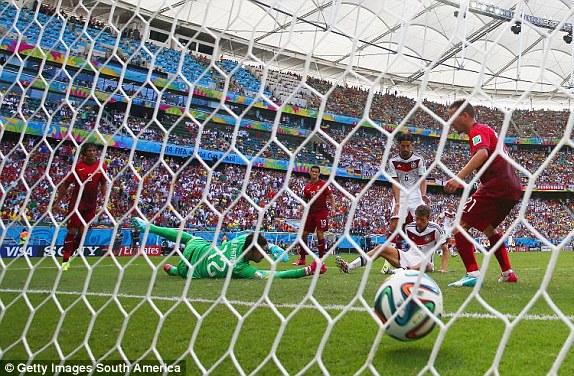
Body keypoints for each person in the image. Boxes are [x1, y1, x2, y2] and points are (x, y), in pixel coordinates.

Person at [445, 99, 520, 287]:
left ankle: (472, 273)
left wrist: (458, 178)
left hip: (498, 185)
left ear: (465, 115)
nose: (450, 122)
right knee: (487, 227)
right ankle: (507, 272)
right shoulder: (487, 131)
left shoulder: (477, 130)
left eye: (452, 117)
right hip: (511, 188)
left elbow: (482, 154)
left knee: (459, 226)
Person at [130, 218, 326, 279]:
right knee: (177, 271)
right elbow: (273, 276)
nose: (264, 254)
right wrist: (306, 270)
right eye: (263, 251)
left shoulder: (242, 241)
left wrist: (272, 247)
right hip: (191, 269)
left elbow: (251, 236)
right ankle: (172, 270)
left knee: (186, 237)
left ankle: (150, 227)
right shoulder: (240, 268)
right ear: (251, 251)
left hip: (199, 248)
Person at [335, 205, 448, 274]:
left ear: (429, 218)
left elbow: (445, 249)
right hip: (408, 257)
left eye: (422, 220)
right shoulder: (409, 227)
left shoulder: (436, 229)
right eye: (417, 218)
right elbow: (399, 241)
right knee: (381, 248)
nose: (418, 222)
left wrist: (443, 268)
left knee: (426, 264)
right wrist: (397, 251)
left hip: (425, 262)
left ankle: (403, 271)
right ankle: (350, 267)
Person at [55, 142, 108, 271]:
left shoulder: (102, 166)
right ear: (84, 153)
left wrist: (105, 199)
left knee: (82, 233)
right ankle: (65, 261)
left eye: (94, 150)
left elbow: (103, 183)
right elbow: (66, 185)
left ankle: (70, 253)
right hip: (76, 203)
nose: (92, 153)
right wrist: (57, 202)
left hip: (91, 204)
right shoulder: (77, 167)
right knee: (72, 230)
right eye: (89, 150)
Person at [384, 132, 429, 272]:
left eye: (408, 146)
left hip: (416, 194)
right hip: (401, 195)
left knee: (421, 224)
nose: (405, 148)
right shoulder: (393, 161)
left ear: (411, 145)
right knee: (394, 225)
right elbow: (395, 183)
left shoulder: (419, 160)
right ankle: (387, 261)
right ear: (399, 146)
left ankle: (424, 258)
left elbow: (422, 179)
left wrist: (423, 195)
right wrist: (397, 203)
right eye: (403, 146)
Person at [292, 165, 336, 266]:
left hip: (321, 212)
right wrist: (299, 210)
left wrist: (333, 209)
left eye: (316, 172)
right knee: (304, 234)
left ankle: (320, 260)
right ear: (310, 173)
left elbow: (331, 197)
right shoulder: (307, 187)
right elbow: (305, 201)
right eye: (313, 172)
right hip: (310, 212)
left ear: (319, 174)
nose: (314, 173)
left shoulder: (324, 184)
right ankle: (302, 259)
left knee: (320, 233)